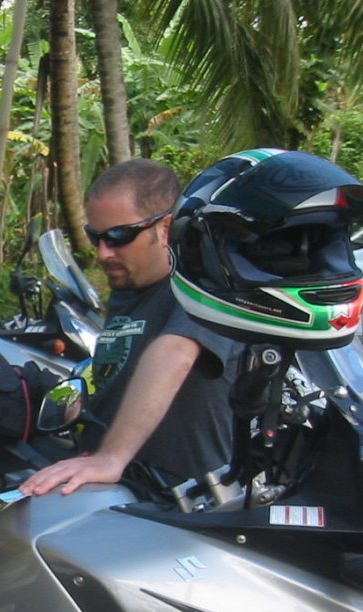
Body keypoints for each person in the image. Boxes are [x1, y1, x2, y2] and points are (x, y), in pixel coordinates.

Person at [20, 158, 242, 497]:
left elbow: (174, 353)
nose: (103, 253)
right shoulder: (129, 288)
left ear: (166, 227)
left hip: (176, 499)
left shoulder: (202, 288)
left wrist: (111, 458)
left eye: (119, 236)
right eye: (95, 238)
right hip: (115, 487)